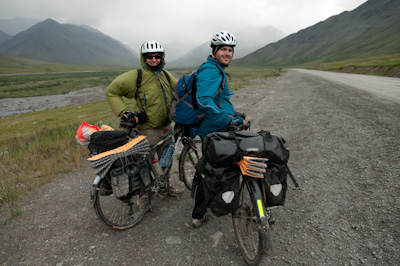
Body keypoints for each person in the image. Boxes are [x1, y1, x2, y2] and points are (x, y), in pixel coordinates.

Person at [106, 41, 181, 197]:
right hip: (147, 130)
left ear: (162, 57)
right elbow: (112, 91)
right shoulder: (136, 76)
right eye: (150, 57)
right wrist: (123, 112)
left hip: (166, 128)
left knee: (166, 161)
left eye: (157, 57)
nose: (154, 60)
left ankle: (165, 188)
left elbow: (180, 91)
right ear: (144, 58)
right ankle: (144, 196)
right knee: (143, 164)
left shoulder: (166, 76)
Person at [191, 31, 246, 227]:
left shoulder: (217, 69)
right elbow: (204, 100)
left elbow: (218, 100)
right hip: (214, 130)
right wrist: (227, 119)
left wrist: (234, 115)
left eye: (230, 50)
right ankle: (198, 214)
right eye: (223, 49)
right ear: (214, 51)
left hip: (221, 125)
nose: (227, 53)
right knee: (208, 170)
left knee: (218, 166)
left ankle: (225, 198)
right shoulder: (210, 70)